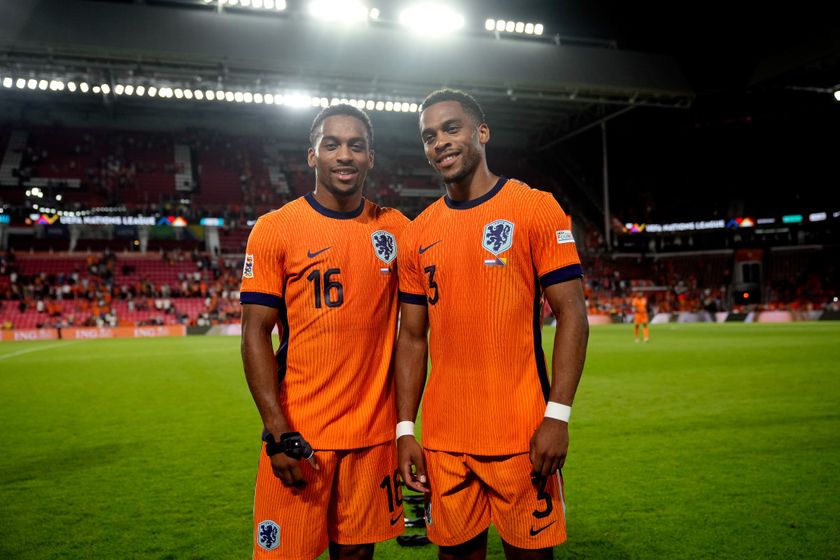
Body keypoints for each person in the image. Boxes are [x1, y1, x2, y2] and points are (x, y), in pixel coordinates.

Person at [394, 89, 589, 560]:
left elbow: (573, 315)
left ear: (482, 132)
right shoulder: (417, 232)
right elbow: (413, 337)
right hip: (444, 441)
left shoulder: (534, 207)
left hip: (521, 437)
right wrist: (405, 428)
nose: (439, 141)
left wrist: (557, 417)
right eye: (428, 135)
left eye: (451, 128)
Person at [240, 104, 407, 559]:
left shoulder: (396, 230)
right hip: (300, 436)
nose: (344, 155)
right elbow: (255, 333)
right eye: (331, 144)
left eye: (356, 145)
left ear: (371, 157)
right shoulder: (276, 229)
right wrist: (276, 433)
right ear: (312, 155)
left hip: (372, 438)